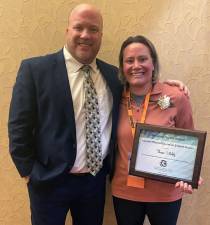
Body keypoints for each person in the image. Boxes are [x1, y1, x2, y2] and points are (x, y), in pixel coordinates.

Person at [8, 3, 189, 225]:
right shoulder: (35, 70)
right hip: (48, 183)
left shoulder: (113, 76)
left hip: (93, 185)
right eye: (79, 27)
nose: (86, 35)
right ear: (67, 30)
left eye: (93, 29)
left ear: (100, 35)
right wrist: (30, 174)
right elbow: (18, 128)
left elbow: (142, 88)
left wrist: (172, 87)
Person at [111, 35, 203, 225]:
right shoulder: (112, 97)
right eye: (129, 60)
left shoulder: (176, 97)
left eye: (143, 59)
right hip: (125, 191)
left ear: (153, 63)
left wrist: (187, 174)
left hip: (165, 194)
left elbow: (188, 143)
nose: (136, 65)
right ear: (122, 67)